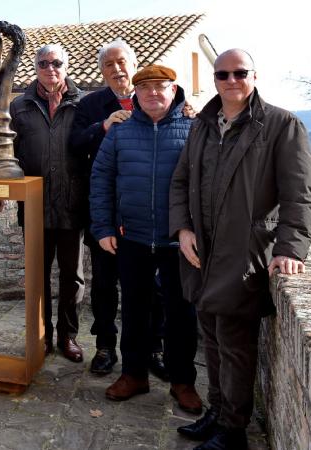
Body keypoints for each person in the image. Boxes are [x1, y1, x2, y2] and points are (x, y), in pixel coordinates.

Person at [170, 49, 311, 450]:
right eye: (223, 74)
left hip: (245, 252)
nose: (230, 80)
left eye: (239, 73)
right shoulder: (202, 124)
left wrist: (291, 249)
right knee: (213, 338)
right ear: (215, 78)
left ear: (254, 75)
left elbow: (299, 194)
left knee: (235, 343)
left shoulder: (281, 124)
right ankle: (216, 413)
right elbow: (181, 181)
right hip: (202, 251)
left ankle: (232, 431)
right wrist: (182, 229)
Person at [90, 65, 201, 414]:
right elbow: (101, 178)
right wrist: (104, 227)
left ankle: (183, 382)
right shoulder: (121, 131)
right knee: (135, 310)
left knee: (181, 314)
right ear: (135, 94)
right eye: (146, 88)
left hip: (178, 240)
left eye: (160, 87)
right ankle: (134, 374)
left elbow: (208, 180)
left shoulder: (194, 127)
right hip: (132, 237)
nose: (153, 93)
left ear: (174, 90)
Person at [70, 38, 169, 378]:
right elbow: (75, 143)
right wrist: (104, 125)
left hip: (147, 211)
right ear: (102, 71)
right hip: (106, 210)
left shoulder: (154, 99)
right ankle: (105, 346)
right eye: (109, 65)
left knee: (153, 286)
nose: (116, 69)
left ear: (133, 63)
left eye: (121, 62)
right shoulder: (91, 104)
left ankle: (153, 348)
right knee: (103, 283)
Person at [10, 44, 86, 362]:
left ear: (66, 65)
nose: (50, 68)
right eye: (43, 63)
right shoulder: (20, 107)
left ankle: (67, 336)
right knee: (37, 276)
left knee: (73, 277)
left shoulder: (84, 104)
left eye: (56, 62)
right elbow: (8, 155)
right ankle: (40, 335)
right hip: (35, 207)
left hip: (72, 207)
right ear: (36, 67)